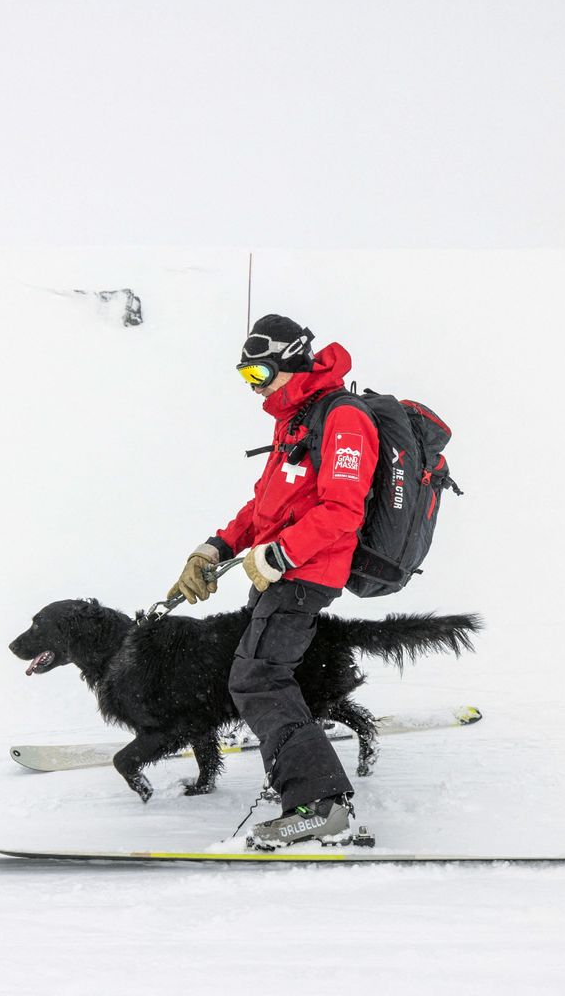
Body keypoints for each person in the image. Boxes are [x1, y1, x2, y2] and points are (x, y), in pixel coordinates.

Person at [169, 314, 379, 848]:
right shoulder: (295, 419)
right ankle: (297, 763)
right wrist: (215, 548)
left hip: (304, 573)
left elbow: (343, 510)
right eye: (245, 376)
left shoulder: (342, 417)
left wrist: (281, 555)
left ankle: (322, 807)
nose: (254, 387)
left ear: (292, 359)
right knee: (269, 673)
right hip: (278, 571)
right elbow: (266, 505)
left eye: (259, 374)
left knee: (258, 678)